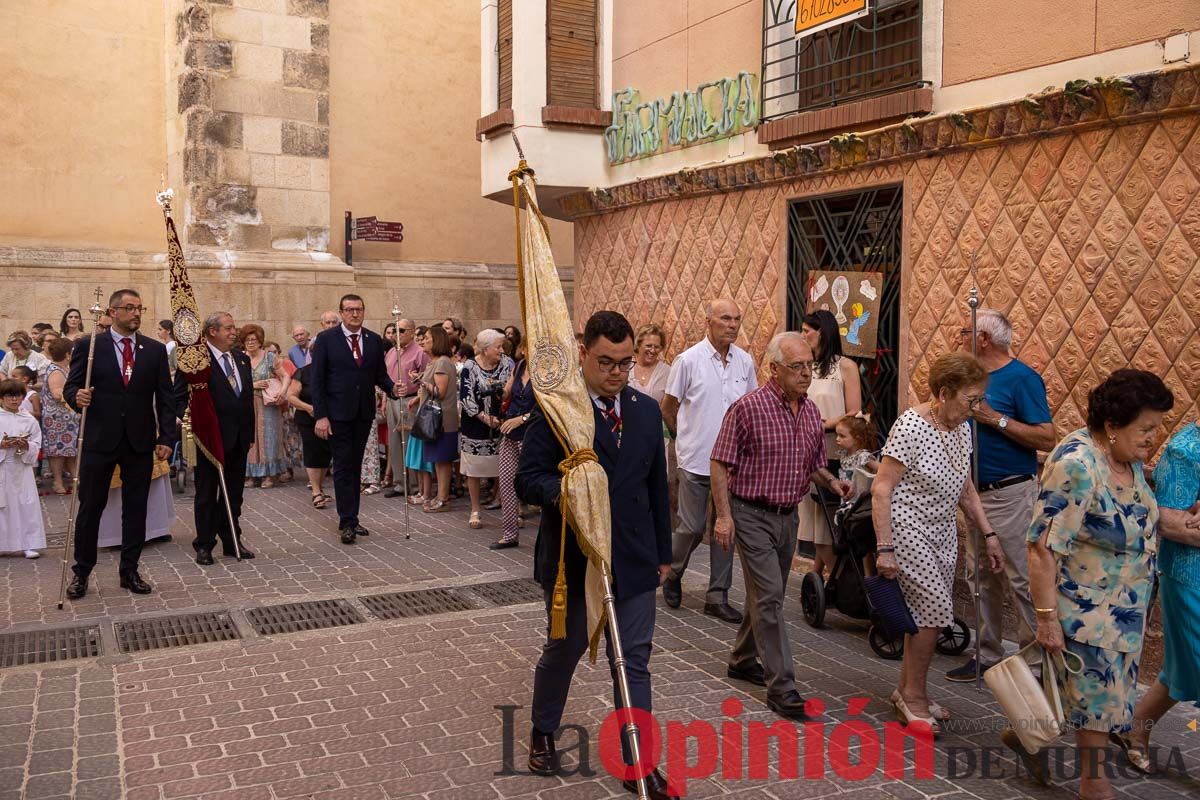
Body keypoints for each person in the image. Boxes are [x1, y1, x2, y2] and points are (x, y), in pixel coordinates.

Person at [516, 311, 676, 799]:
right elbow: (527, 480)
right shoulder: (557, 411)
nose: (617, 373)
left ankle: (638, 763)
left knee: (633, 660)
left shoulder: (646, 411)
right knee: (564, 650)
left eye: (625, 363)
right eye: (606, 362)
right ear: (584, 353)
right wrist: (568, 489)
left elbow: (655, 488)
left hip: (632, 556)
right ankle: (544, 729)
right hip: (574, 557)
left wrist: (663, 554)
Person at [1025, 370, 1174, 797]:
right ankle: (1096, 789)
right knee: (1098, 718)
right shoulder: (1077, 465)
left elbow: (1134, 516)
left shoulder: (1126, 458)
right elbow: (1041, 548)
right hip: (1086, 619)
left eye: (1158, 427)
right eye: (1145, 428)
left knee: (1098, 705)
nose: (1153, 438)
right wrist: (1047, 619)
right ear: (1112, 425)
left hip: (1124, 615)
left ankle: (1027, 733)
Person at [710, 332, 854, 719]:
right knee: (772, 596)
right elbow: (720, 463)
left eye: (809, 365)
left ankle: (742, 659)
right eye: (797, 366)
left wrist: (832, 481)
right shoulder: (747, 408)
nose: (807, 373)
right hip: (750, 514)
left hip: (788, 517)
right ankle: (783, 686)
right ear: (774, 370)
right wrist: (724, 517)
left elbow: (812, 464)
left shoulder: (808, 411)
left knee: (763, 595)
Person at [872, 352, 1004, 732]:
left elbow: (966, 489)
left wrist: (989, 535)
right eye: (970, 399)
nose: (976, 408)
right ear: (944, 393)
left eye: (979, 399)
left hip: (943, 532)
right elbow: (882, 490)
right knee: (932, 613)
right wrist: (885, 547)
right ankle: (913, 697)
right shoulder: (911, 427)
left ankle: (908, 689)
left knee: (926, 615)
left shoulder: (961, 428)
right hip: (907, 527)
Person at [946, 309, 1056, 682]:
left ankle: (1036, 663)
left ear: (984, 339)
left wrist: (994, 419)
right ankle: (987, 652)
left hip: (1011, 492)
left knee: (1021, 577)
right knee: (980, 576)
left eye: (964, 331)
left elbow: (1046, 437)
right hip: (975, 492)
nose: (959, 337)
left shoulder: (1022, 379)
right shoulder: (968, 378)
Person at [64, 289, 176, 598]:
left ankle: (130, 570)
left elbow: (166, 399)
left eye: (139, 308)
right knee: (91, 508)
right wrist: (77, 397)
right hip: (99, 440)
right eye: (129, 308)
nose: (136, 313)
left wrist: (167, 437)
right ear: (112, 312)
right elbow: (72, 387)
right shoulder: (89, 347)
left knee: (135, 508)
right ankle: (81, 572)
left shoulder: (153, 350)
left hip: (139, 442)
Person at [661, 299, 757, 623]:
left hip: (733, 464)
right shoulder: (687, 360)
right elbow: (668, 406)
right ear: (709, 321)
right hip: (697, 459)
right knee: (691, 526)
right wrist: (683, 439)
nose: (732, 324)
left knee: (726, 526)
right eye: (725, 318)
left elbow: (750, 409)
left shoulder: (745, 362)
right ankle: (673, 573)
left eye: (737, 318)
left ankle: (717, 595)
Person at [1116, 417, 1200, 774]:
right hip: (1189, 577)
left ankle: (1136, 727)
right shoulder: (1187, 450)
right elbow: (1167, 521)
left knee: (1182, 668)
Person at [310, 294, 396, 544]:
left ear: (364, 311)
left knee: (355, 466)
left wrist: (393, 389)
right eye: (349, 310)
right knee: (344, 466)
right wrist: (321, 416)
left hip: (362, 414)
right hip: (337, 414)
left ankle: (353, 517)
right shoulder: (327, 340)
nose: (354, 314)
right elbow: (317, 381)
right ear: (342, 313)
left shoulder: (373, 340)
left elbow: (379, 375)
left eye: (358, 309)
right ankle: (346, 520)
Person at [176, 312, 257, 564]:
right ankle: (204, 544)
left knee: (234, 493)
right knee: (207, 493)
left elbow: (245, 399)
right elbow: (179, 396)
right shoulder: (196, 360)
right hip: (210, 439)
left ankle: (232, 539)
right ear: (213, 331)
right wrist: (190, 417)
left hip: (239, 438)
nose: (234, 332)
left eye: (234, 328)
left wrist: (249, 432)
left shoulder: (241, 359)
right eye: (229, 328)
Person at [797, 310, 862, 580]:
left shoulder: (844, 366)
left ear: (821, 331)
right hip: (803, 449)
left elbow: (855, 412)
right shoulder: (803, 366)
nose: (803, 336)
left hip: (832, 449)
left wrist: (823, 424)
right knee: (812, 516)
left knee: (826, 518)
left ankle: (837, 581)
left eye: (806, 331)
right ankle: (821, 580)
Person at [459, 329, 515, 530]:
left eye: (502, 346)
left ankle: (508, 508)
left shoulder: (508, 363)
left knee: (505, 466)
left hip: (503, 422)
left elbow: (514, 389)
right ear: (485, 349)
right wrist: (484, 417)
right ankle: (475, 509)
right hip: (475, 423)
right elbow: (465, 397)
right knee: (474, 468)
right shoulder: (469, 366)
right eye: (498, 346)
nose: (502, 350)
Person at [491, 340, 534, 550]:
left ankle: (549, 539)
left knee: (535, 485)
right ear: (523, 348)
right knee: (507, 483)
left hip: (533, 435)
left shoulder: (547, 371)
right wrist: (495, 389)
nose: (531, 350)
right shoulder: (519, 366)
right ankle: (509, 534)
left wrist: (522, 419)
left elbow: (549, 407)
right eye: (528, 346)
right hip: (510, 431)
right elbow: (508, 391)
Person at [412, 326, 458, 512]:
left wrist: (421, 382)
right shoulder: (435, 362)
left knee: (443, 460)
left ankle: (443, 498)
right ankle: (440, 496)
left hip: (442, 420)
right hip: (435, 419)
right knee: (438, 459)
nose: (423, 341)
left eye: (428, 338)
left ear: (437, 340)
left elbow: (439, 391)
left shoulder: (443, 363)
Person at [0, 379, 45, 559]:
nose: (14, 400)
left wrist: (25, 445)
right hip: (3, 467)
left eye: (18, 396)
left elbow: (36, 443)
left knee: (26, 504)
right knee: (3, 506)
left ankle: (29, 544)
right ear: (2, 398)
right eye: (9, 396)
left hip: (22, 468)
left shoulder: (28, 419)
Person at [383, 319, 427, 499]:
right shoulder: (392, 351)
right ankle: (399, 484)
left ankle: (415, 485)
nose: (397, 334)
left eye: (401, 330)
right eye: (395, 330)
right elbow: (386, 377)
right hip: (393, 399)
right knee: (394, 442)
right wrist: (385, 400)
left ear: (412, 332)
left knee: (410, 443)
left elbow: (426, 379)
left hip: (410, 400)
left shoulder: (420, 353)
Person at [242, 325, 289, 488]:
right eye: (247, 340)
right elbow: (233, 382)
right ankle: (250, 474)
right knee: (250, 438)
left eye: (253, 339)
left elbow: (285, 376)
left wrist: (282, 392)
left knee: (269, 438)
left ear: (260, 340)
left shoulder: (269, 357)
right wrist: (253, 384)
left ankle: (269, 475)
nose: (250, 343)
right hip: (247, 403)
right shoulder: (240, 358)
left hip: (268, 404)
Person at [286, 362, 332, 509]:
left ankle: (319, 487)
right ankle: (316, 491)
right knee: (312, 451)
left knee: (326, 452)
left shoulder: (334, 369)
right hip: (307, 417)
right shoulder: (303, 372)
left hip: (330, 418)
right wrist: (309, 408)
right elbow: (291, 396)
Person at [39, 336, 79, 496]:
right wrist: (74, 407)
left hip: (66, 418)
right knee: (58, 452)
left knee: (69, 451)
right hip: (58, 419)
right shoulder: (56, 370)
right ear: (68, 354)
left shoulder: (65, 369)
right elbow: (57, 394)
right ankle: (57, 481)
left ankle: (76, 479)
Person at [628, 324, 670, 402]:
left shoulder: (667, 372)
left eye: (656, 347)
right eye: (648, 346)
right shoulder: (626, 366)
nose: (652, 350)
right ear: (638, 344)